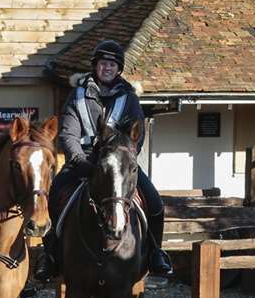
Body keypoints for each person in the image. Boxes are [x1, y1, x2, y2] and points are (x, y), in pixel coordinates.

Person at [38, 39, 172, 279]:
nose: (107, 68)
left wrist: (123, 157)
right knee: (54, 193)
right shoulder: (77, 95)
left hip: (119, 163)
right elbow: (68, 134)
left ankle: (155, 252)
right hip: (84, 162)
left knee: (154, 201)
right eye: (102, 63)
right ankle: (49, 255)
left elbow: (136, 134)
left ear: (118, 69)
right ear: (95, 66)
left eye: (112, 64)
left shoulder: (129, 98)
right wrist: (82, 163)